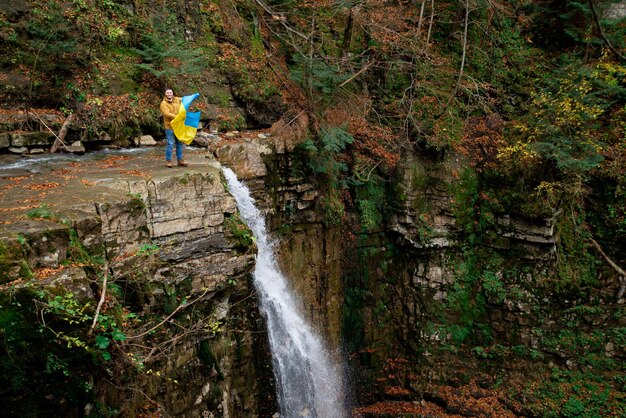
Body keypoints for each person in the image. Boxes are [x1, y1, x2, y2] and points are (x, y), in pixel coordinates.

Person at [160, 89, 189, 168]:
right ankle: (168, 161)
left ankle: (180, 160)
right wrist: (177, 117)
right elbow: (166, 113)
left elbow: (185, 99)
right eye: (167, 93)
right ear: (165, 94)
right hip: (170, 126)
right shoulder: (163, 103)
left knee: (179, 143)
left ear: (172, 93)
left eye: (170, 92)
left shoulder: (177, 99)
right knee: (170, 144)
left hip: (179, 125)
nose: (169, 94)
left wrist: (194, 96)